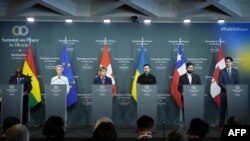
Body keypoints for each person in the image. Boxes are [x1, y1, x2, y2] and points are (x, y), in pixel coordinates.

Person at [218, 56, 240, 130]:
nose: (227, 63)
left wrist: (232, 90)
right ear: (225, 63)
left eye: (229, 61)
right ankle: (221, 125)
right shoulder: (222, 71)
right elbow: (220, 82)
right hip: (224, 94)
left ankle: (232, 126)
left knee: (232, 111)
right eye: (226, 61)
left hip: (233, 95)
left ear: (231, 62)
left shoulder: (235, 71)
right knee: (222, 111)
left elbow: (238, 82)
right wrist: (228, 89)